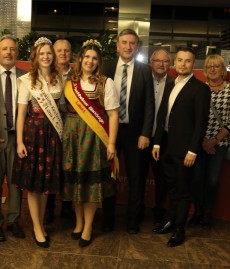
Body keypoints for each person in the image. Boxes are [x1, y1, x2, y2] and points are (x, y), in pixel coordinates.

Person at [61, 39, 119, 247]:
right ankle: (78, 223)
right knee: (75, 182)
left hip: (94, 140)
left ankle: (88, 227)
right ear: (80, 58)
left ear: (99, 61)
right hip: (72, 137)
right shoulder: (69, 81)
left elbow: (113, 115)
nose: (90, 61)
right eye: (87, 57)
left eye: (94, 58)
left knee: (91, 186)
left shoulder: (105, 83)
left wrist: (111, 143)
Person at [152, 47, 210, 247]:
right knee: (172, 188)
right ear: (175, 63)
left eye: (187, 61)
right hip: (167, 147)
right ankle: (172, 220)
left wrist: (193, 150)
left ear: (193, 64)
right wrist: (157, 142)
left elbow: (201, 123)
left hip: (186, 151)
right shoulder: (170, 84)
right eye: (180, 60)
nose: (183, 64)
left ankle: (179, 229)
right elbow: (162, 116)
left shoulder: (201, 89)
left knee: (184, 190)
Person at [102, 29, 155, 234]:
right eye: (124, 42)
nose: (128, 46)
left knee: (136, 179)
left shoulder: (144, 70)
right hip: (109, 133)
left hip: (135, 134)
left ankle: (133, 222)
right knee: (109, 178)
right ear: (117, 45)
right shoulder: (106, 67)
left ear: (137, 47)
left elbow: (150, 104)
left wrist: (145, 133)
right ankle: (107, 221)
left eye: (132, 43)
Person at [13, 37, 63, 248]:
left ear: (53, 56)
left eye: (49, 53)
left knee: (45, 185)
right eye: (41, 53)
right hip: (33, 136)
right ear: (35, 56)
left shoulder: (59, 79)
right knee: (34, 186)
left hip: (52, 136)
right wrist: (19, 142)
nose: (45, 56)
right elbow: (21, 113)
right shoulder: (27, 80)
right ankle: (36, 227)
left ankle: (41, 223)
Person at [190, 55, 230, 229]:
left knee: (212, 180)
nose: (212, 69)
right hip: (199, 142)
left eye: (216, 66)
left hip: (219, 144)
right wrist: (203, 141)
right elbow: (193, 117)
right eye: (209, 66)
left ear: (223, 69)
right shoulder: (200, 88)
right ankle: (197, 211)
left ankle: (207, 213)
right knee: (196, 179)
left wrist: (214, 141)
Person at [0, 35, 26, 242]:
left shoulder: (26, 77)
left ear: (17, 53)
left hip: (17, 139)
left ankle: (13, 221)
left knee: (15, 184)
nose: (8, 52)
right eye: (4, 49)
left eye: (12, 49)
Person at [45, 39, 74, 224]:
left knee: (68, 168)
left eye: (66, 50)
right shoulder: (45, 74)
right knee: (50, 168)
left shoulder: (78, 74)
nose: (63, 53)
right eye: (59, 50)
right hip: (50, 129)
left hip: (72, 128)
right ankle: (48, 209)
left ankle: (67, 207)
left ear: (71, 53)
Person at [146, 49, 174, 233]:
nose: (161, 64)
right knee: (138, 176)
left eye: (165, 61)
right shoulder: (143, 79)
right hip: (142, 135)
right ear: (151, 62)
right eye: (158, 60)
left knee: (162, 179)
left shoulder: (174, 84)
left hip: (163, 138)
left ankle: (159, 214)